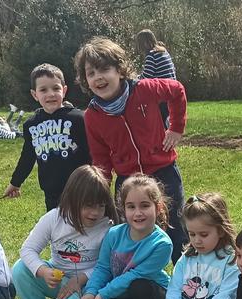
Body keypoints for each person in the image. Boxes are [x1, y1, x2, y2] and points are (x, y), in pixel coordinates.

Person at [75, 37, 189, 264]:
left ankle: (186, 282)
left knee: (177, 228)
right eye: (91, 73)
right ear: (86, 80)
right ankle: (138, 285)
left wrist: (176, 128)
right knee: (132, 235)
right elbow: (101, 157)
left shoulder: (144, 89)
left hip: (163, 171)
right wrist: (101, 186)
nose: (98, 77)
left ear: (119, 70)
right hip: (128, 180)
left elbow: (176, 91)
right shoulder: (92, 116)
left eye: (105, 69)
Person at [12, 166, 116, 299]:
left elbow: (110, 264)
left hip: (90, 282)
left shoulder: (107, 226)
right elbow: (28, 249)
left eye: (101, 206)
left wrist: (81, 278)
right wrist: (43, 270)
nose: (95, 213)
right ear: (72, 200)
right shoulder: (54, 218)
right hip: (58, 275)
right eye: (89, 205)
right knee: (20, 269)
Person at [146, 193, 239, 299]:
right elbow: (174, 292)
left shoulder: (231, 261)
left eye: (204, 234)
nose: (197, 240)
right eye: (192, 234)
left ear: (220, 229)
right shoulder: (186, 258)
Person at [80, 174, 173, 299]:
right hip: (121, 294)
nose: (138, 213)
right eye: (131, 207)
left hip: (151, 295)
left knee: (138, 284)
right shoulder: (114, 234)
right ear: (123, 209)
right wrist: (91, 291)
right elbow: (103, 267)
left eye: (145, 206)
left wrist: (103, 295)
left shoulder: (162, 244)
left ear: (158, 207)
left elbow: (134, 275)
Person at [5, 64, 91, 212]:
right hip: (51, 192)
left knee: (85, 228)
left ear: (64, 91)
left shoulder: (78, 119)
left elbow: (92, 152)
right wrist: (15, 182)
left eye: (56, 88)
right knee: (59, 231)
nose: (50, 94)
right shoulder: (31, 125)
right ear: (34, 94)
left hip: (81, 188)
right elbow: (27, 157)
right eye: (43, 90)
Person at [135, 29, 177, 128]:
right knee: (166, 117)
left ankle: (161, 138)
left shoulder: (151, 55)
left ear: (144, 43)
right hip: (172, 89)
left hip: (161, 92)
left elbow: (146, 77)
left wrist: (135, 79)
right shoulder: (163, 51)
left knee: (160, 119)